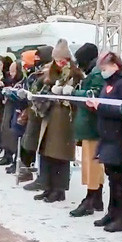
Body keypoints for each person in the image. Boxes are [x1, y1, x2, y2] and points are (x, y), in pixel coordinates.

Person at [88, 51, 122, 232]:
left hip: (121, 137)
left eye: (105, 67)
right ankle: (112, 212)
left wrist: (100, 106)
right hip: (108, 136)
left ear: (115, 65)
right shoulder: (108, 83)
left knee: (120, 179)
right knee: (112, 177)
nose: (103, 71)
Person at [32, 39, 84, 203]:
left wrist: (68, 93)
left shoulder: (75, 75)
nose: (60, 62)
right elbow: (38, 89)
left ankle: (59, 189)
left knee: (60, 155)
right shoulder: (49, 74)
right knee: (46, 152)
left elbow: (78, 94)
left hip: (65, 119)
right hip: (49, 116)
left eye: (63, 59)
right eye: (57, 59)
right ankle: (48, 186)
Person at [69, 43, 106, 217]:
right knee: (91, 164)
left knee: (92, 165)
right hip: (90, 125)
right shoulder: (94, 72)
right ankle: (95, 197)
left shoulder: (97, 73)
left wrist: (75, 94)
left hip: (93, 126)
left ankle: (92, 197)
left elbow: (93, 96)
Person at [20, 45, 54, 187]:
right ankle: (29, 170)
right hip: (33, 110)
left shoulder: (48, 72)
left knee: (37, 144)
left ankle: (40, 175)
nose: (36, 60)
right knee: (28, 141)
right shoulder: (36, 72)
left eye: (39, 57)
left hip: (42, 112)